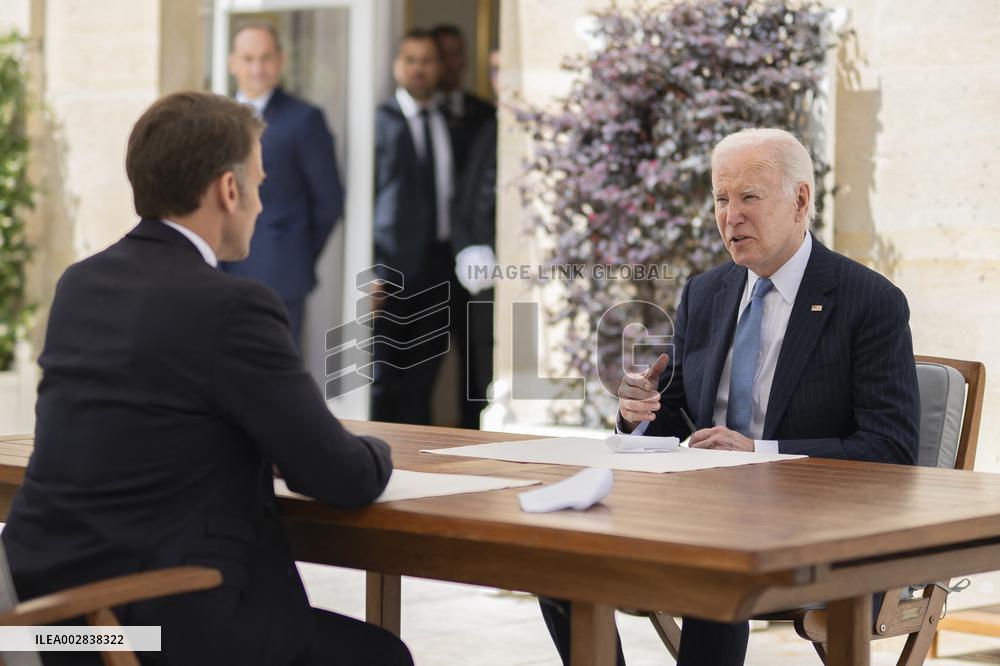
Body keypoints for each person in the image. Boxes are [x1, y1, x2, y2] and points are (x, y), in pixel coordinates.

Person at [1, 92, 412, 666]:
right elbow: (341, 475)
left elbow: (154, 421)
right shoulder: (231, 306)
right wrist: (379, 451)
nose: (262, 204)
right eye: (259, 184)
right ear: (228, 189)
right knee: (379, 657)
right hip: (142, 632)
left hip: (44, 627)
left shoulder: (81, 284)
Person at [539, 128, 920, 666]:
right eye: (721, 199)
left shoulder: (868, 300)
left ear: (800, 200)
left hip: (812, 525)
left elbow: (891, 449)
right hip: (696, 509)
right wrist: (637, 414)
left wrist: (758, 453)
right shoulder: (706, 291)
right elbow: (670, 413)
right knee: (554, 559)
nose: (730, 216)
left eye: (749, 197)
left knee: (714, 567)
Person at [219, 22, 344, 347]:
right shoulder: (212, 119)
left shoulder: (304, 119)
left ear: (281, 60)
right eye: (248, 59)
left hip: (280, 276)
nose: (257, 68)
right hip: (217, 274)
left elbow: (329, 201)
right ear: (233, 63)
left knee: (274, 376)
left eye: (266, 58)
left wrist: (293, 249)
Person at [372, 29, 464, 426]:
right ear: (397, 67)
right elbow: (366, 198)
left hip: (440, 267)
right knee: (381, 377)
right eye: (410, 60)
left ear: (439, 67)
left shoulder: (451, 121)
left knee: (423, 378)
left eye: (427, 60)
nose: (419, 69)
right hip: (389, 270)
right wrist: (373, 269)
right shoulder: (379, 122)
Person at [451, 50, 501, 427]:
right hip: (480, 272)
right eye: (495, 70)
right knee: (476, 367)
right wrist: (466, 245)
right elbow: (463, 198)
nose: (501, 78)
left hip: (510, 274)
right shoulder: (488, 126)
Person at [430, 24, 495, 173]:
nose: (449, 62)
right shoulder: (419, 114)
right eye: (442, 54)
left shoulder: (485, 114)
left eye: (455, 53)